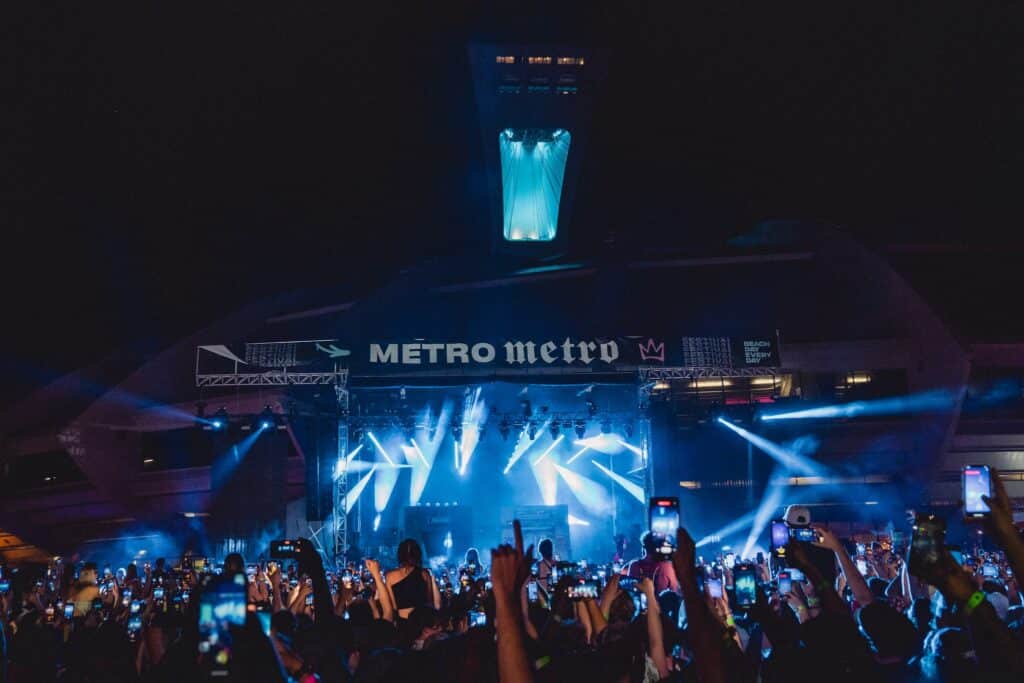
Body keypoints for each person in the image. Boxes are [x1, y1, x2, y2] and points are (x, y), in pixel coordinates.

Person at [384, 539, 441, 618]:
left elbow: (393, 606)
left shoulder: (390, 576)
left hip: (403, 621)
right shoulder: (424, 573)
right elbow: (429, 601)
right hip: (422, 620)